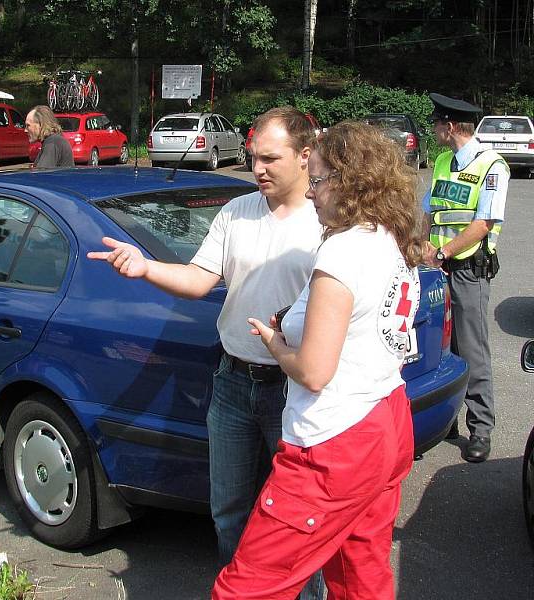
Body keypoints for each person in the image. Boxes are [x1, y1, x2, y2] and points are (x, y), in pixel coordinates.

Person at [88, 107, 325, 599]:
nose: (257, 168)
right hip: (234, 382)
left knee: (296, 518)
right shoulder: (237, 210)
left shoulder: (327, 221)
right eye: (254, 157)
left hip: (296, 390)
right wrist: (145, 267)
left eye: (270, 159)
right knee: (230, 508)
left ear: (305, 156)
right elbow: (199, 279)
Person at [213, 121, 425, 599]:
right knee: (359, 572)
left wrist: (275, 343)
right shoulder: (388, 235)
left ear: (349, 183)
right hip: (386, 418)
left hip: (335, 439)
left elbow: (313, 371)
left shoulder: (342, 254)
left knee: (248, 587)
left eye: (320, 179)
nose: (312, 193)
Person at [421, 93, 508, 463]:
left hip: (468, 269)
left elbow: (483, 224)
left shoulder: (492, 166)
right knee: (440, 347)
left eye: (438, 123)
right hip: (436, 268)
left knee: (471, 349)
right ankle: (446, 419)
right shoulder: (443, 160)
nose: (434, 130)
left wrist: (442, 252)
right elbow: (429, 209)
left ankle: (481, 428)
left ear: (451, 126)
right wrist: (425, 247)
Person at [0, 105, 74, 170]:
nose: (25, 130)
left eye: (28, 126)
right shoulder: (53, 141)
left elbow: (39, 177)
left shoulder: (52, 143)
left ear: (41, 125)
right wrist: (1, 171)